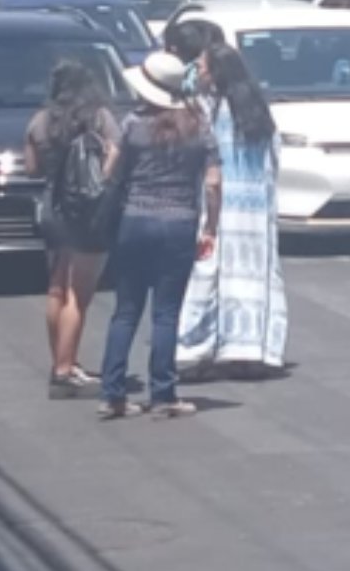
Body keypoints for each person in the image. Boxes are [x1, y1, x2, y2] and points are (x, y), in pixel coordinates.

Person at [99, 53, 222, 420]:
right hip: (179, 222)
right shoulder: (199, 125)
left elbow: (109, 172)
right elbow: (213, 183)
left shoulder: (132, 123)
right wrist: (210, 227)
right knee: (166, 313)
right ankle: (164, 393)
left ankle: (113, 393)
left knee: (125, 311)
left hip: (134, 219)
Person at [176, 41, 288, 377]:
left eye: (202, 67)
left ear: (216, 73)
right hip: (256, 210)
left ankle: (199, 348)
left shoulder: (208, 110)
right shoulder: (258, 111)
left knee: (210, 276)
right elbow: (274, 158)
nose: (198, 72)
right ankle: (253, 351)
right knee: (255, 279)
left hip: (221, 206)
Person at [26, 61, 120, 399]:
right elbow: (115, 157)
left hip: (53, 207)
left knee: (56, 288)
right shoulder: (99, 118)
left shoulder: (40, 121)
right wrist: (100, 178)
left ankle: (62, 361)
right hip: (88, 210)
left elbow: (33, 167)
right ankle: (65, 370)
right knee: (79, 294)